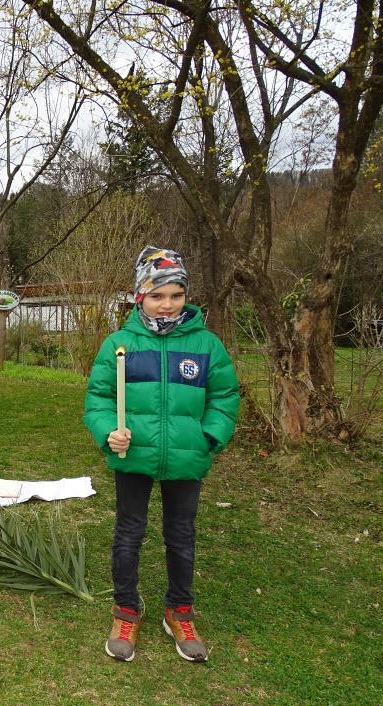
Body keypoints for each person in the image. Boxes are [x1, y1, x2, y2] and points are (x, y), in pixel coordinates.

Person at [83, 246, 239, 663]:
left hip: (186, 458)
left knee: (181, 535)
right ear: (140, 296)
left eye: (176, 295)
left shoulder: (206, 345)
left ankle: (179, 611)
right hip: (133, 456)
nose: (167, 304)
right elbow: (98, 399)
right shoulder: (119, 344)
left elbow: (225, 397)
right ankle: (126, 610)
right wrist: (107, 432)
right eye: (157, 295)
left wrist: (208, 438)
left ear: (185, 295)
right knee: (128, 534)